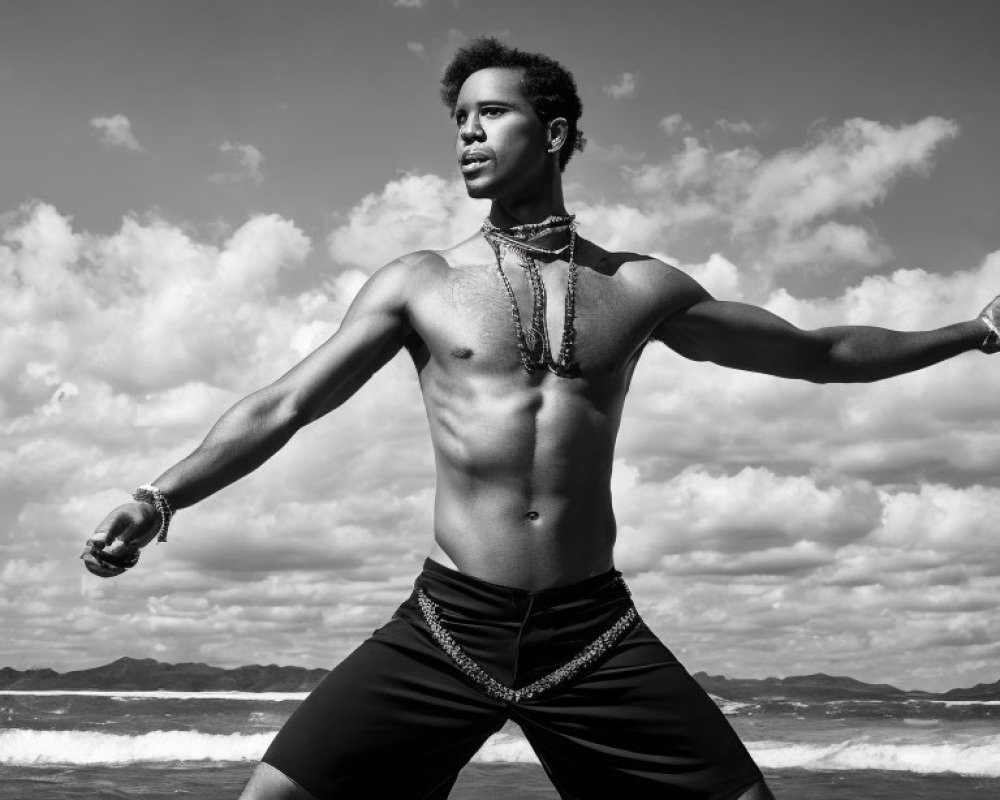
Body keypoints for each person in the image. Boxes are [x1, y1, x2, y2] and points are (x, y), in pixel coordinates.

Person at [82, 36, 998, 800]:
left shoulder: (638, 287)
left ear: (554, 132)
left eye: (492, 114)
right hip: (449, 623)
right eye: (459, 122)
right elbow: (287, 403)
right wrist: (158, 498)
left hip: (590, 632)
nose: (468, 136)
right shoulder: (421, 283)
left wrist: (974, 331)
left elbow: (817, 352)